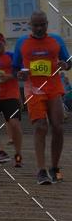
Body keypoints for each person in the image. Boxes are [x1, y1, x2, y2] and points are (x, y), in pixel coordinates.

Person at [12, 11, 70, 184]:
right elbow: (15, 68)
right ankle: (41, 170)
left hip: (54, 88)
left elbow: (68, 61)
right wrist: (20, 75)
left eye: (42, 24)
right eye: (35, 25)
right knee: (40, 126)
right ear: (30, 25)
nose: (39, 28)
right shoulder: (22, 42)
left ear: (46, 24)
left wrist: (65, 65)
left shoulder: (56, 40)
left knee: (58, 127)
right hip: (33, 89)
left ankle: (55, 167)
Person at [0, 32, 23, 168]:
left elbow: (22, 72)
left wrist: (10, 76)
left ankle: (18, 154)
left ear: (4, 44)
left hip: (10, 96)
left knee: (15, 124)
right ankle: (0, 152)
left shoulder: (12, 57)